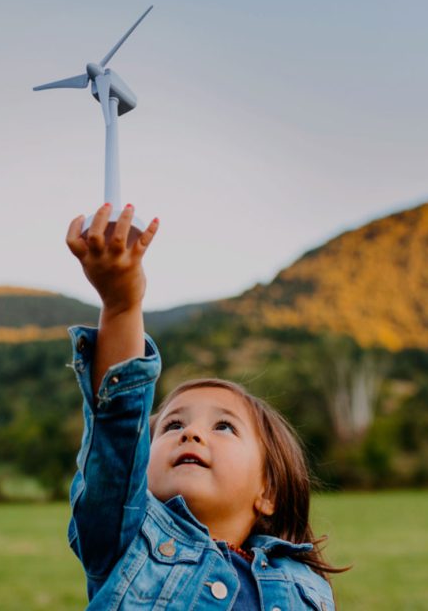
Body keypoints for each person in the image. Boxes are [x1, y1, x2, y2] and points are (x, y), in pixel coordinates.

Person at [65, 202, 344, 610]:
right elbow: (118, 430)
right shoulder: (125, 543)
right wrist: (122, 305)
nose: (190, 433)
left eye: (224, 427)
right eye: (173, 424)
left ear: (267, 491)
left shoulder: (305, 586)